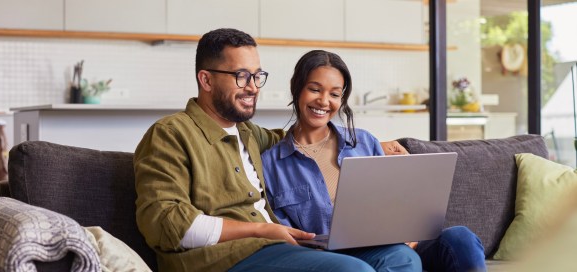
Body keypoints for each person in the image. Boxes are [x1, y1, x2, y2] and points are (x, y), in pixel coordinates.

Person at [134, 28, 422, 271]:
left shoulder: (249, 135)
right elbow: (164, 223)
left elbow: (302, 139)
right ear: (206, 80)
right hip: (222, 259)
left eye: (257, 76)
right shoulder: (170, 134)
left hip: (276, 249)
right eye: (241, 76)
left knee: (400, 258)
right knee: (351, 270)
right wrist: (260, 229)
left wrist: (371, 145)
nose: (253, 87)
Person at [261, 49, 487, 272]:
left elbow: (398, 202)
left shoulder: (364, 143)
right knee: (401, 257)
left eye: (334, 94)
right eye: (314, 89)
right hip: (338, 257)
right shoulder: (272, 165)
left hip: (398, 244)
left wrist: (409, 227)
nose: (323, 101)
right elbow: (288, 242)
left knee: (461, 238)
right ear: (297, 88)